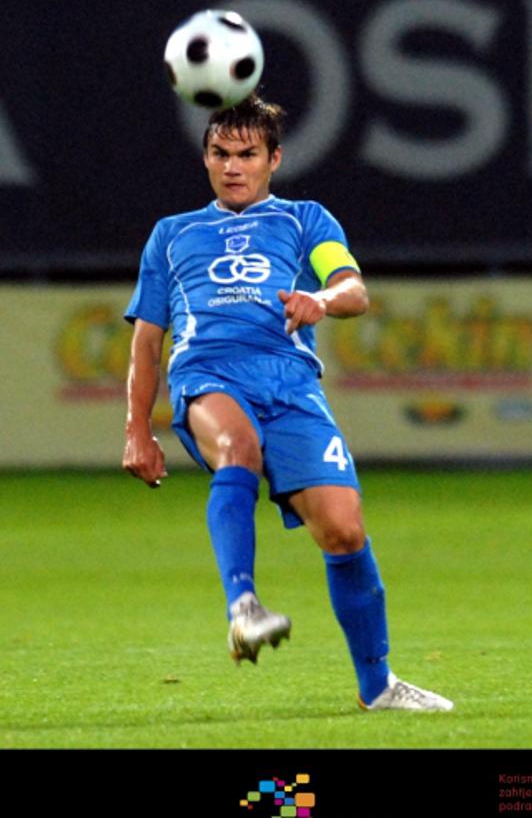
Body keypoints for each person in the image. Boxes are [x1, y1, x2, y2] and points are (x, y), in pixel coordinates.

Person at [122, 94, 452, 712]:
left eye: (247, 154)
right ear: (205, 159)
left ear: (274, 158)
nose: (232, 166)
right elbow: (146, 341)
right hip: (207, 371)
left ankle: (377, 685)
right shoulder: (172, 235)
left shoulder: (305, 220)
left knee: (344, 530)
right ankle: (243, 607)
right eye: (220, 153)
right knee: (237, 448)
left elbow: (351, 287)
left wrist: (320, 302)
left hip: (292, 385)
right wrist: (138, 430)